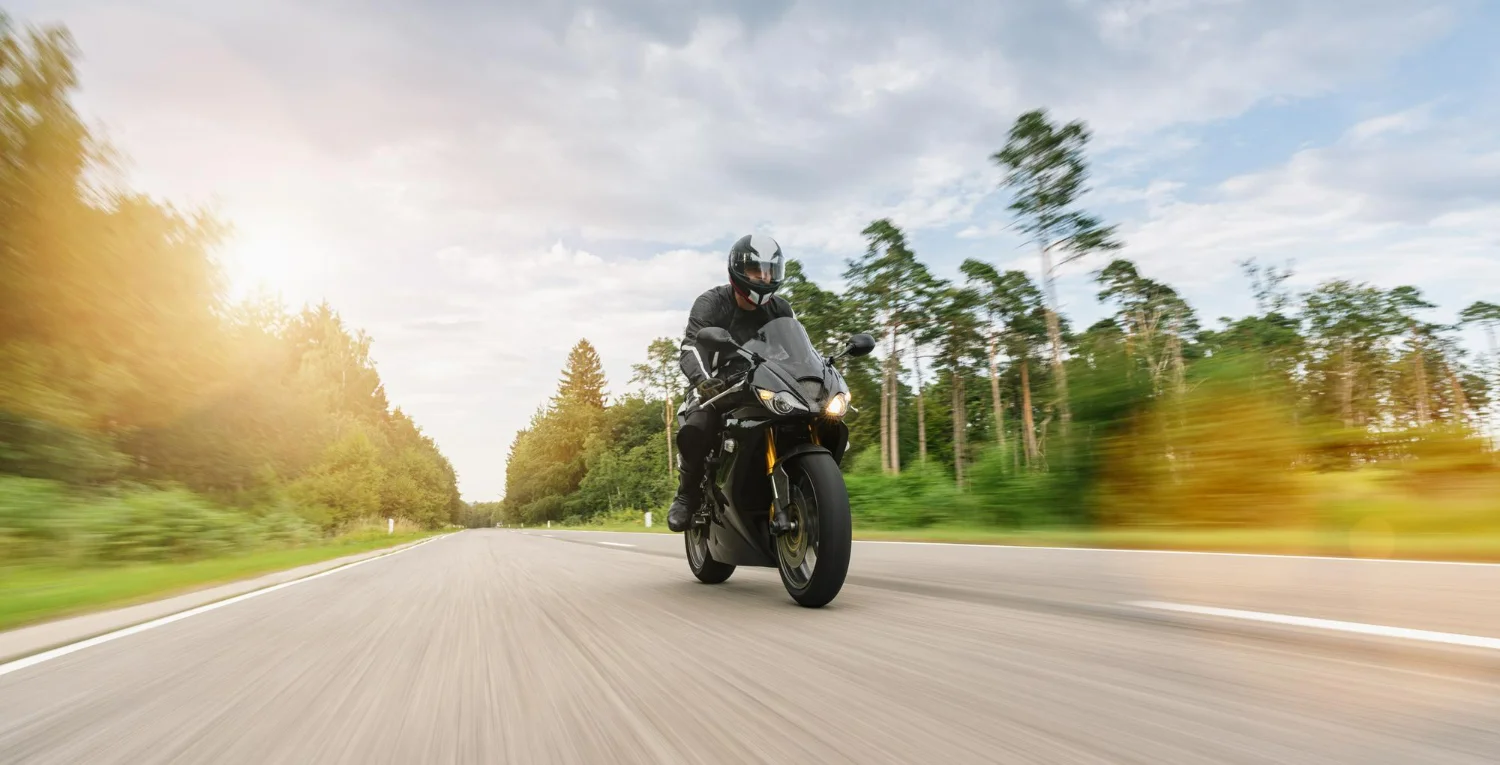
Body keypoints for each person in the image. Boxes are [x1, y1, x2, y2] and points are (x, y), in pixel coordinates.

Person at [668, 234, 794, 532]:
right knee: (695, 430)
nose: (763, 278)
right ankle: (686, 494)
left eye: (769, 271)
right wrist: (702, 381)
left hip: (765, 383)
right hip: (717, 386)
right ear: (738, 270)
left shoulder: (781, 309)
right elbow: (690, 348)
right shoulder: (711, 303)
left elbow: (797, 350)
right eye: (755, 271)